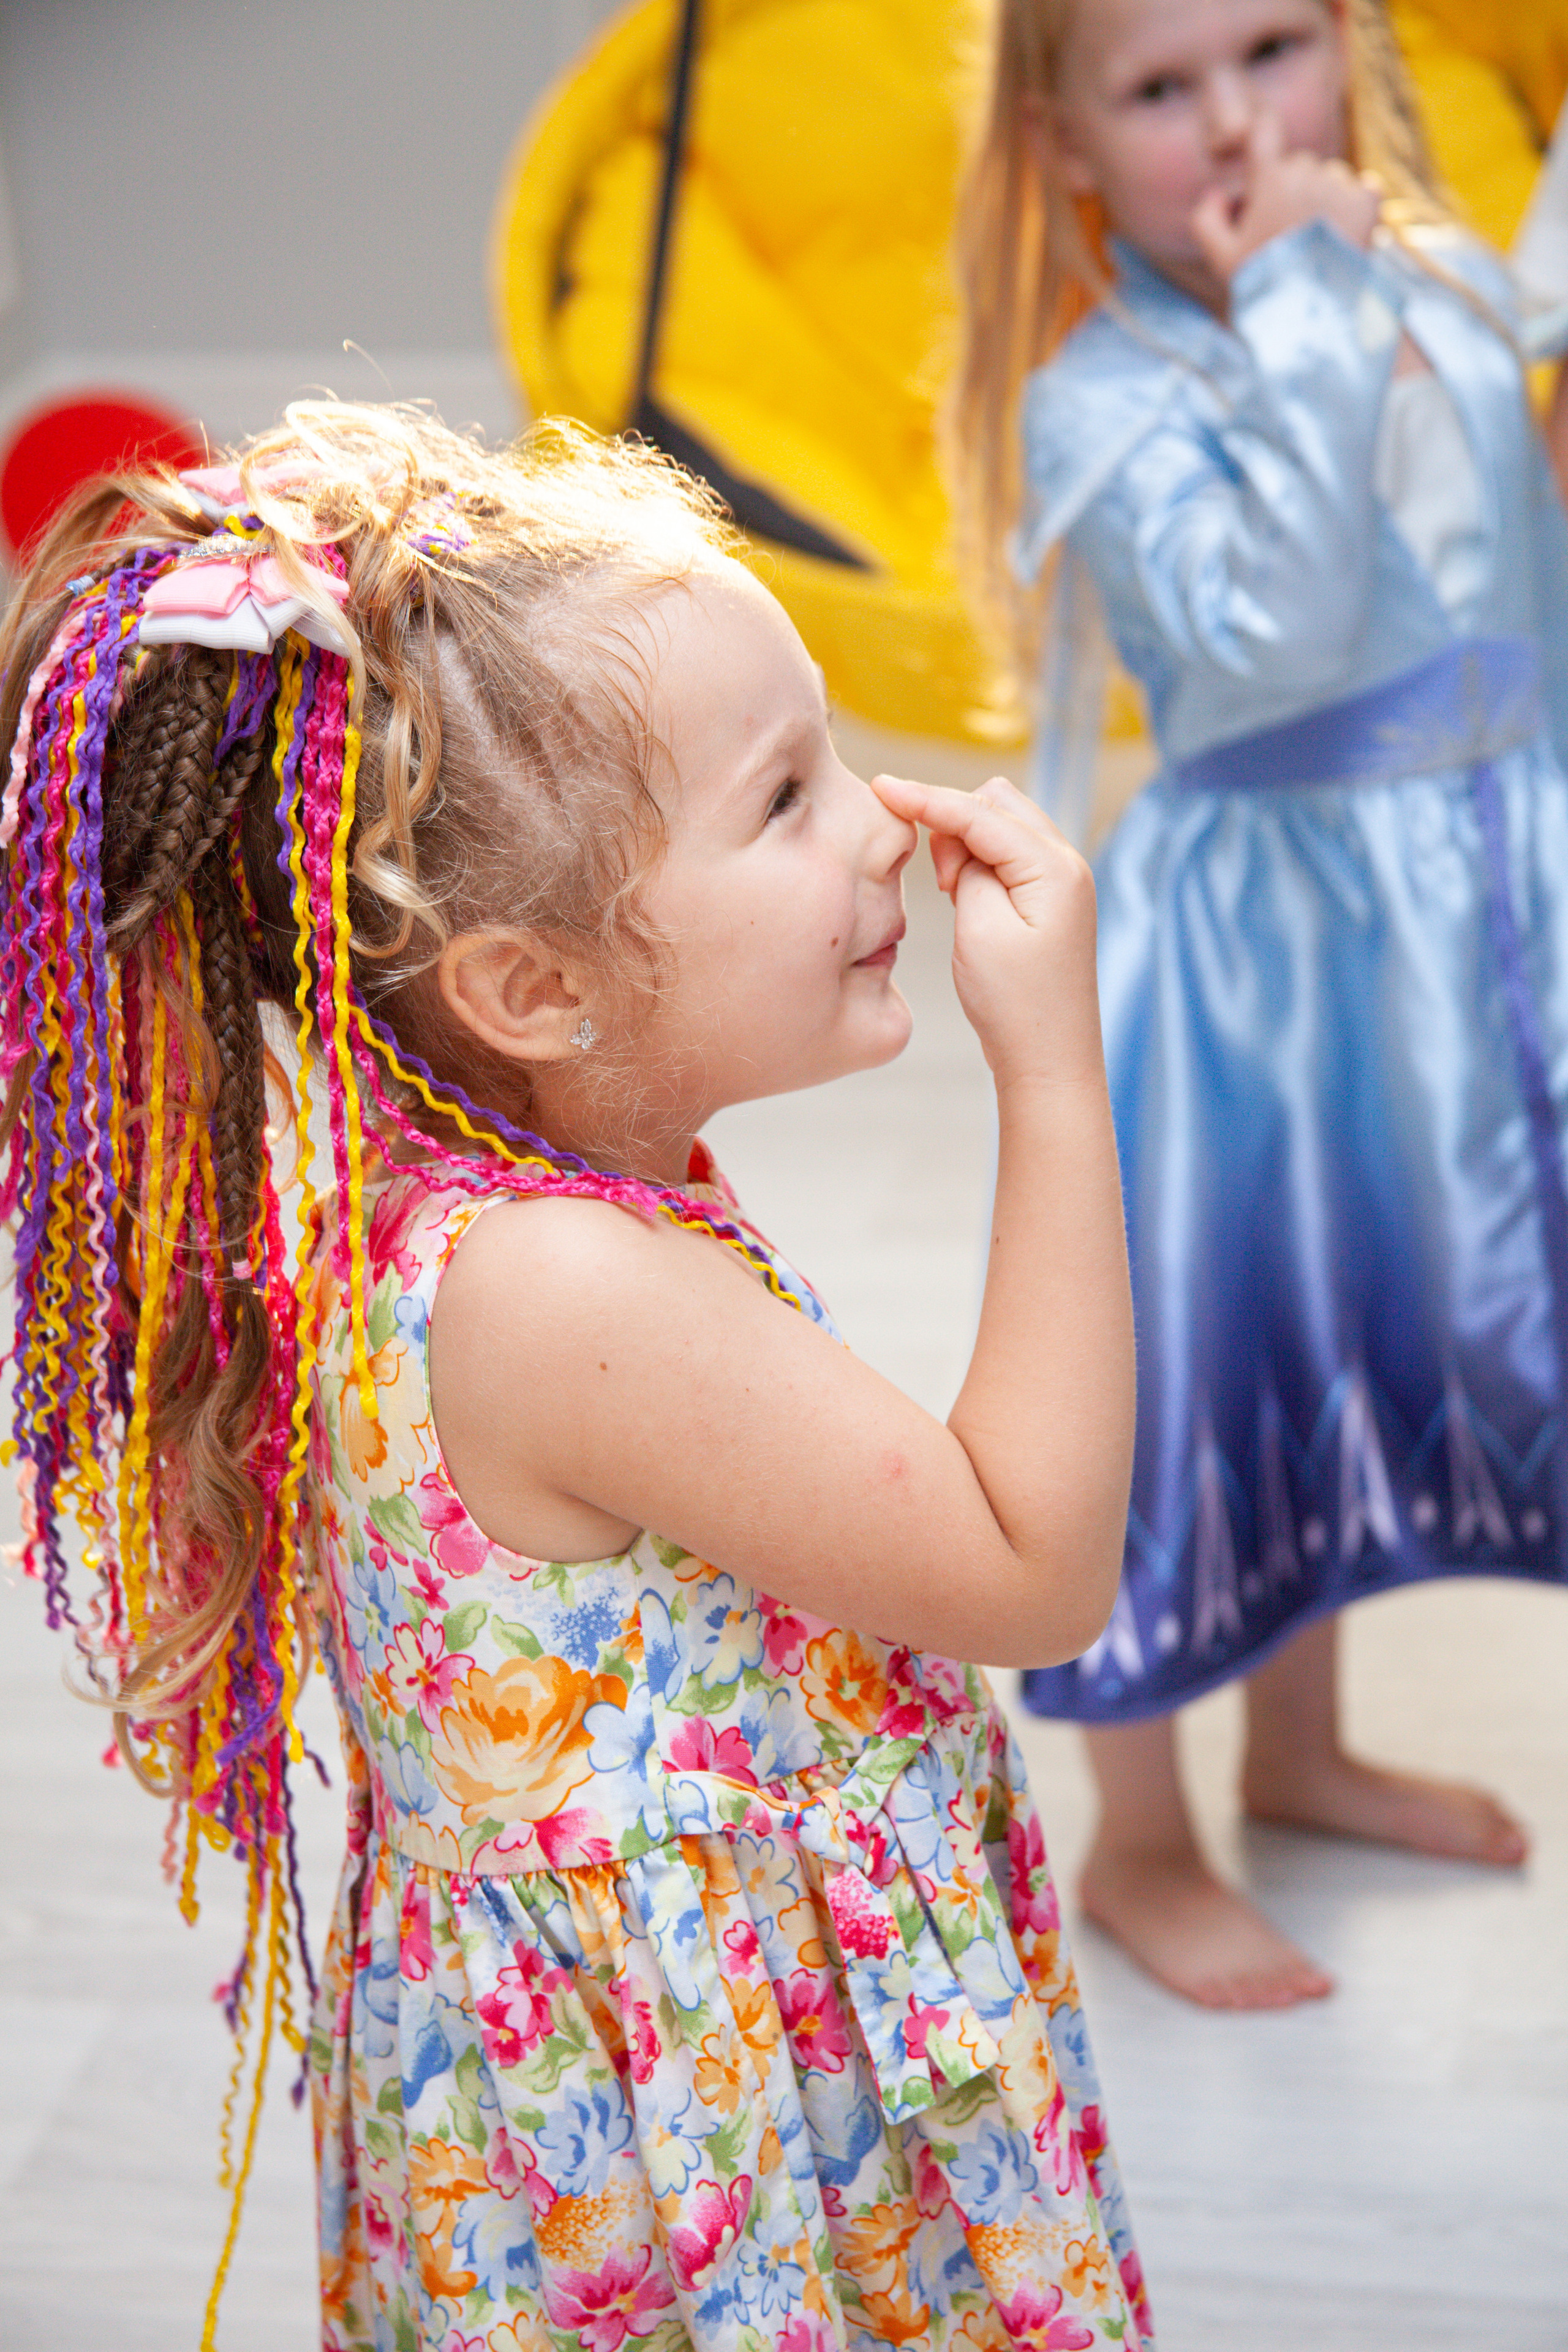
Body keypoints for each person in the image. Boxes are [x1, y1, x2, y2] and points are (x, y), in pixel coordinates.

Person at [0, 404, 1152, 2350]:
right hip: (709, 2127)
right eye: (784, 799)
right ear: (535, 988)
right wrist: (1052, 1070)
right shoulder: (553, 1293)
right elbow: (1035, 1568)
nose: (880, 818)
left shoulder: (488, 1207)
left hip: (651, 2069)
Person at [949, 0, 1568, 2010]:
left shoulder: (1445, 281)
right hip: (1264, 973)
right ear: (1062, 148)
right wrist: (1301, 291)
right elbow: (1279, 635)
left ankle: (1301, 1755)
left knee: (1355, 1343)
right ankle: (1142, 1835)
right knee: (1218, 1366)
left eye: (1276, 47)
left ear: (1352, 49)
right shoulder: (1101, 397)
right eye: (1157, 85)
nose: (1235, 116)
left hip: (1462, 910)